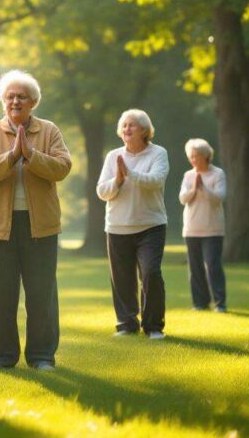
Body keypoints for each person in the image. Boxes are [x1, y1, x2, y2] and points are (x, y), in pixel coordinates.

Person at [0, 70, 72, 371]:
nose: (15, 101)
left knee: (41, 292)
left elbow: (63, 167)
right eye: (10, 96)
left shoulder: (49, 131)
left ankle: (42, 357)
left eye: (22, 97)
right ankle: (0, 357)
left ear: (33, 102)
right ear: (3, 101)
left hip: (39, 223)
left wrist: (31, 155)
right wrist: (12, 156)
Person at [96, 109, 169, 340]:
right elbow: (101, 191)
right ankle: (127, 325)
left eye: (132, 125)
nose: (127, 129)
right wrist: (117, 180)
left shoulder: (158, 153)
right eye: (124, 125)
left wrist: (130, 173)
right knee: (122, 279)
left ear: (144, 130)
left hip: (151, 225)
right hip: (118, 226)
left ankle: (154, 326)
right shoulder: (112, 156)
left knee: (150, 273)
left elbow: (156, 181)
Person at [179, 138, 228, 313]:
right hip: (191, 228)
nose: (194, 160)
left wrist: (203, 189)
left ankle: (220, 303)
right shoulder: (188, 175)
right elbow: (183, 199)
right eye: (191, 156)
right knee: (195, 267)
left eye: (197, 156)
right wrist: (194, 189)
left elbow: (219, 197)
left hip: (212, 229)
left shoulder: (217, 174)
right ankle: (200, 303)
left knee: (213, 266)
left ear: (206, 156)